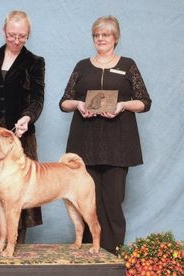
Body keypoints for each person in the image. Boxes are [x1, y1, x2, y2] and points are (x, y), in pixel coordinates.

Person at [59, 15, 151, 254]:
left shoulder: (128, 64)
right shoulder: (82, 66)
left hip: (119, 143)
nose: (101, 38)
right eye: (97, 35)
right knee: (86, 202)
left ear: (115, 38)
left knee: (113, 200)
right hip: (84, 142)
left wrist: (122, 105)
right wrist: (78, 104)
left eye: (106, 34)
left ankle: (114, 253)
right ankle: (91, 254)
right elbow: (64, 102)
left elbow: (144, 102)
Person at [0, 10, 45, 244]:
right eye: (11, 35)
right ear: (3, 31)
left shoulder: (35, 62)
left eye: (22, 36)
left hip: (20, 138)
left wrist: (27, 118)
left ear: (28, 34)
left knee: (21, 196)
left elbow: (37, 99)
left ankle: (16, 248)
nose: (16, 40)